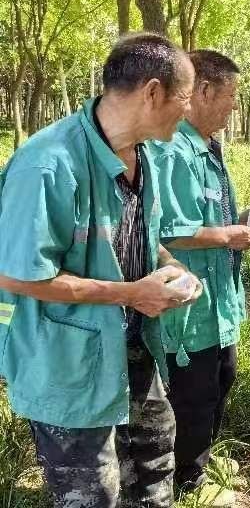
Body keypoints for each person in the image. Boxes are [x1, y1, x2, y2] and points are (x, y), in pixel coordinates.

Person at [0, 33, 202, 507]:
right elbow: (18, 274)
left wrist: (173, 270)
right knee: (92, 494)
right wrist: (130, 294)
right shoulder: (48, 165)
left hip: (133, 347)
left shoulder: (148, 155)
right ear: (152, 93)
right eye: (185, 98)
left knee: (153, 468)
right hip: (68, 363)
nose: (187, 111)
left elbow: (143, 243)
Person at [150, 50, 250, 503]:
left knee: (222, 378)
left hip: (219, 300)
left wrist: (234, 232)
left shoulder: (208, 148)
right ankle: (185, 482)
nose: (234, 106)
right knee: (192, 397)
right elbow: (168, 232)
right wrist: (225, 236)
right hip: (188, 306)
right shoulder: (173, 151)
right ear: (204, 90)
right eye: (231, 96)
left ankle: (201, 461)